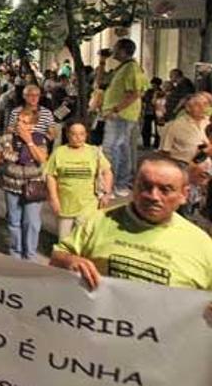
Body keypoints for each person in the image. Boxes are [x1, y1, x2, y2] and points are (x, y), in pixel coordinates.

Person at [51, 154, 212, 293]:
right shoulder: (98, 221)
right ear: (133, 187)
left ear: (184, 195)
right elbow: (57, 258)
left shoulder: (202, 245)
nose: (153, 196)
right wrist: (69, 261)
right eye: (146, 186)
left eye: (165, 189)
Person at [0, 108, 49, 260]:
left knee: (31, 222)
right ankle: (15, 252)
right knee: (14, 220)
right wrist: (12, 154)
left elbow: (42, 159)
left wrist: (29, 142)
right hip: (12, 185)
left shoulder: (39, 139)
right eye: (18, 121)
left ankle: (30, 254)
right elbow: (6, 155)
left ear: (32, 125)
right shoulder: (7, 138)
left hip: (33, 186)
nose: (20, 124)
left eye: (25, 122)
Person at [45, 121, 113, 241]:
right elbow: (50, 176)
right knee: (64, 241)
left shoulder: (94, 151)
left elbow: (107, 172)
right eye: (74, 134)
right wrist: (54, 199)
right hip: (65, 206)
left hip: (89, 206)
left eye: (82, 134)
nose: (78, 138)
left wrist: (106, 193)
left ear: (86, 135)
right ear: (67, 135)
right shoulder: (59, 152)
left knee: (85, 241)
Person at [101, 38, 148, 197]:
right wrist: (102, 61)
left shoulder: (131, 69)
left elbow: (135, 93)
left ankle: (114, 184)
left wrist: (115, 109)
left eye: (115, 47)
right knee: (121, 149)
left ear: (122, 50)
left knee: (112, 149)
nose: (112, 50)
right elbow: (101, 82)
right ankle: (120, 184)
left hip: (121, 115)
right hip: (120, 115)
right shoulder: (123, 68)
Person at [160, 93, 211, 165]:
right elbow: (164, 152)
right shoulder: (174, 125)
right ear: (188, 108)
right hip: (183, 166)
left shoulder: (209, 123)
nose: (202, 108)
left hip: (207, 167)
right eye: (197, 105)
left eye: (205, 104)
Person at [141, 77, 163, 149]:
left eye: (154, 84)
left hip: (156, 111)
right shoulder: (149, 91)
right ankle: (146, 143)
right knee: (146, 128)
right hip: (150, 111)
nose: (153, 86)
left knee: (157, 129)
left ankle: (156, 144)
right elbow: (144, 99)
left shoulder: (161, 92)